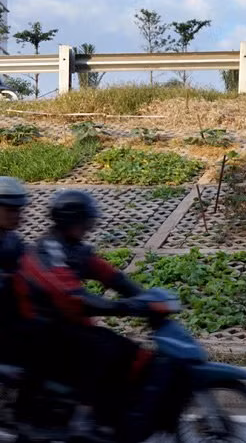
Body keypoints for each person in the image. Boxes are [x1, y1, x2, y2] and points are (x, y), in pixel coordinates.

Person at [14, 189, 172, 441]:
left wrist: (145, 297)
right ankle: (87, 417)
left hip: (66, 326)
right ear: (70, 221)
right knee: (108, 350)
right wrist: (128, 308)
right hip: (44, 332)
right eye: (84, 221)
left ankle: (114, 413)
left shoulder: (73, 248)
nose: (88, 226)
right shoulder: (49, 250)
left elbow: (110, 275)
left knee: (129, 351)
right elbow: (74, 297)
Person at [0, 176, 29, 364]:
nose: (17, 215)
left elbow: (32, 264)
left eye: (18, 209)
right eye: (10, 210)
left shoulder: (12, 240)